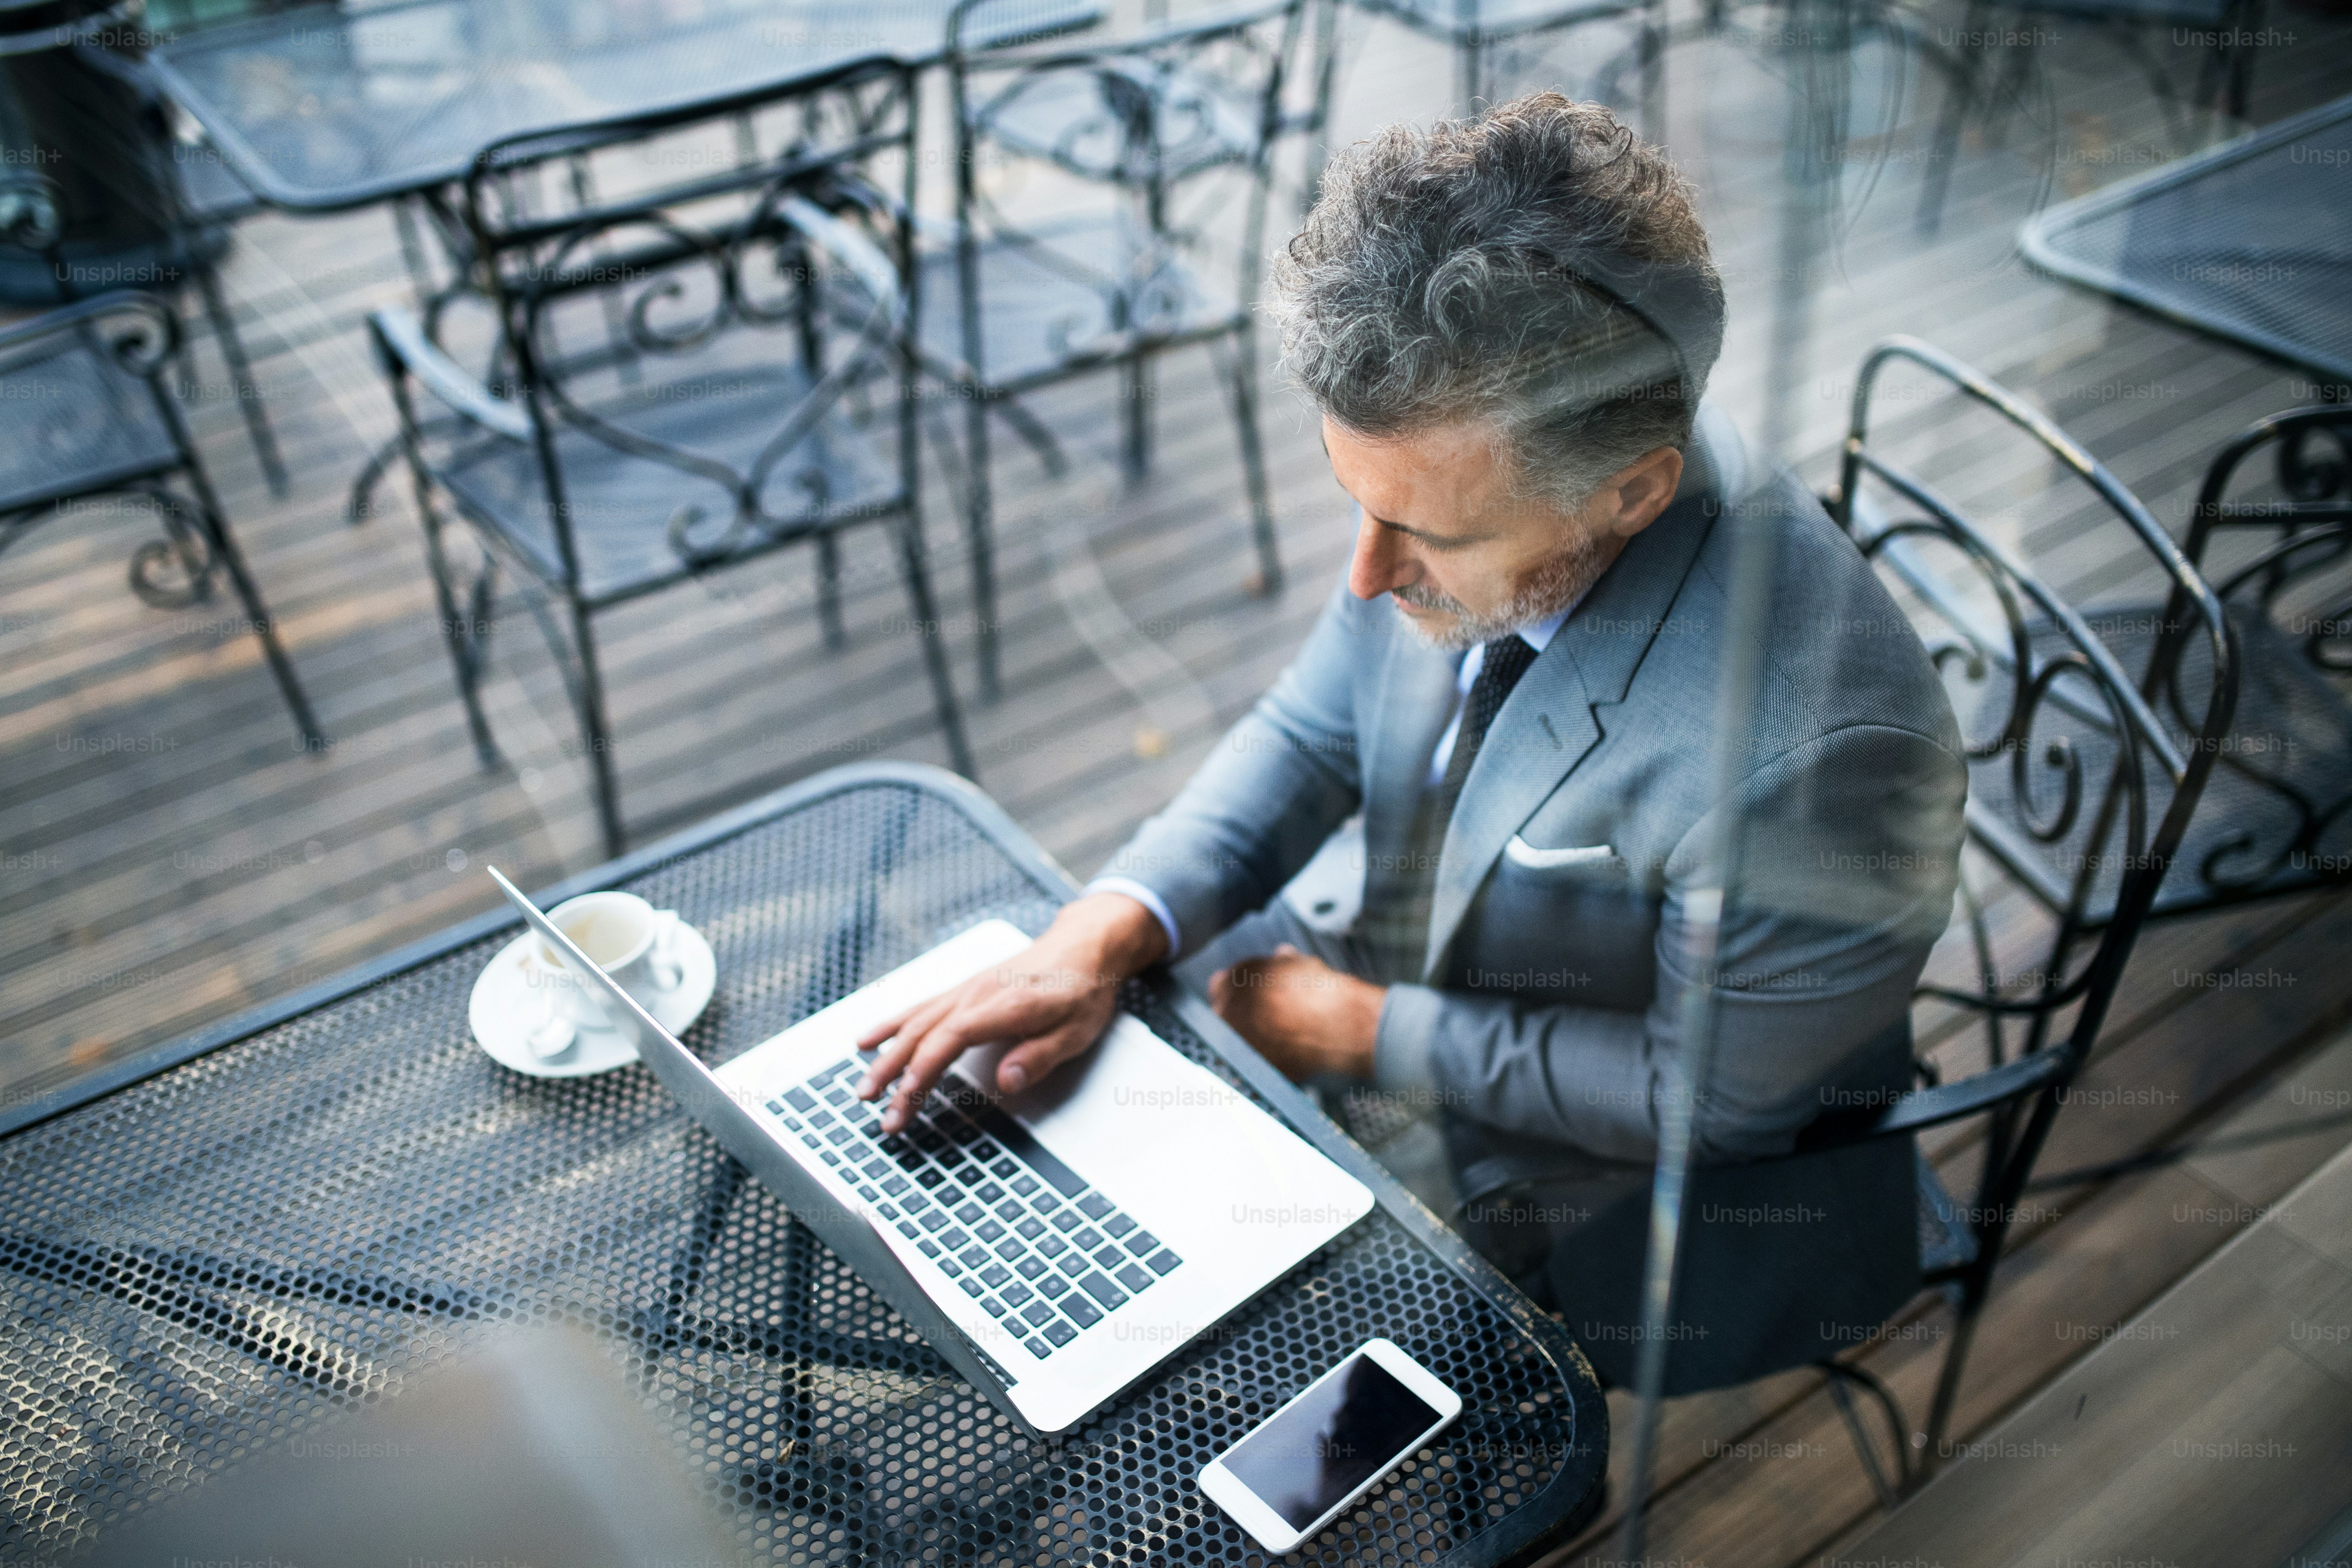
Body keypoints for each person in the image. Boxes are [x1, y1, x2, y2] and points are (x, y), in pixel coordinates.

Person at [857, 92, 1966, 1392]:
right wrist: (1102, 929)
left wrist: (1363, 1031)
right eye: (1352, 506)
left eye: (1428, 538)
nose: (1369, 578)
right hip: (1415, 953)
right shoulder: (1471, 475)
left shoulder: (1816, 762)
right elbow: (1316, 724)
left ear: (1634, 492)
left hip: (1633, 1197)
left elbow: (1711, 1107)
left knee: (1245, 1372)